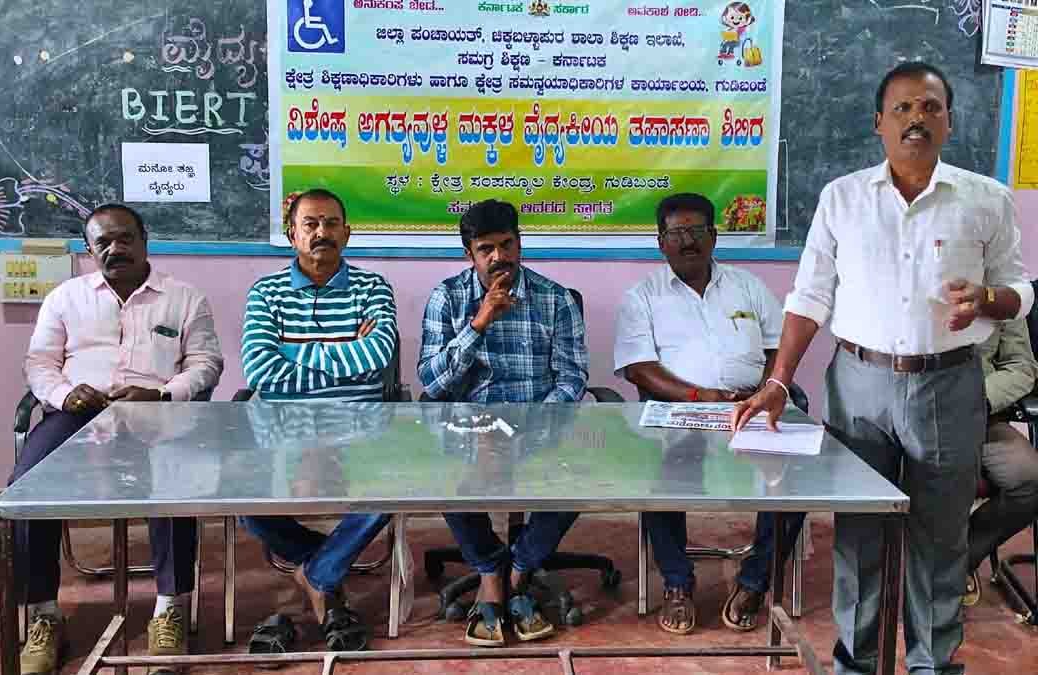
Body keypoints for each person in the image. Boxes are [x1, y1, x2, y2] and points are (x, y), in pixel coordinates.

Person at [733, 61, 1032, 675]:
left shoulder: (986, 199)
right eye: (902, 108)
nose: (915, 119)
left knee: (938, 543)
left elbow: (1017, 289)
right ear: (879, 123)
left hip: (948, 384)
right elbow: (809, 298)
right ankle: (857, 664)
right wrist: (777, 382)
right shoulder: (841, 198)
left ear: (949, 120)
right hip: (859, 385)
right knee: (860, 538)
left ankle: (932, 664)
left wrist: (988, 300)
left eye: (929, 107)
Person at [14, 204, 223, 675]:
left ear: (145, 240)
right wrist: (66, 394)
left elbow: (206, 364)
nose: (115, 249)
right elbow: (38, 363)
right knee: (26, 487)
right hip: (78, 417)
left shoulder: (184, 298)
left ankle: (169, 608)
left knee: (177, 479)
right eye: (102, 243)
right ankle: (44, 613)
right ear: (89, 250)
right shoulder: (65, 298)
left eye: (124, 238)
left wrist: (164, 393)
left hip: (157, 417)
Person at [614, 192, 806, 635]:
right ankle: (677, 584)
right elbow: (639, 367)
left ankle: (755, 581)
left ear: (714, 236)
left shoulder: (748, 286)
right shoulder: (642, 296)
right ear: (660, 242)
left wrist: (764, 391)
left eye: (696, 231)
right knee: (657, 477)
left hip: (752, 406)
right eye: (676, 233)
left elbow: (780, 348)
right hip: (678, 412)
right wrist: (700, 396)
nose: (687, 241)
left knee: (799, 479)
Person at [418, 198, 589, 647]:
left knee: (583, 476)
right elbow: (433, 384)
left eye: (507, 245)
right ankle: (491, 572)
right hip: (468, 429)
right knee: (443, 476)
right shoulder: (447, 297)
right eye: (486, 249)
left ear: (520, 243)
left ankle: (511, 573)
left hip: (538, 422)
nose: (499, 257)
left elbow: (572, 377)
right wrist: (479, 322)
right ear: (469, 255)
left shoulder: (556, 299)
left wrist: (535, 425)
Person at [240, 188, 397, 654]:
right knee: (246, 503)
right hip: (282, 432)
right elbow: (261, 370)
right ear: (292, 234)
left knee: (391, 491)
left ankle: (317, 574)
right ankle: (324, 570)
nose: (321, 233)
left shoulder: (374, 288)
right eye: (310, 224)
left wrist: (291, 350)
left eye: (331, 224)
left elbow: (379, 354)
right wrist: (345, 351)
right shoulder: (265, 292)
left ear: (346, 234)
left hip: (359, 427)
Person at [963, 318, 1038, 606]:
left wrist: (975, 400)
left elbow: (1021, 366)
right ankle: (924, 567)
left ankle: (960, 560)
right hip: (917, 413)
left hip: (981, 415)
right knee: (947, 477)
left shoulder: (1004, 286)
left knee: (1029, 477)